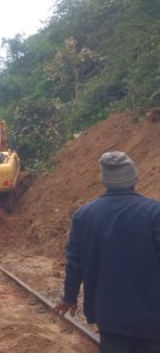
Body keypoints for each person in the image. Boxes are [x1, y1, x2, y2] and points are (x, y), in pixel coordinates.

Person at [54, 151, 160, 352]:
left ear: (104, 180)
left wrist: (69, 297)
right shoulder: (154, 213)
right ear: (134, 178)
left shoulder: (84, 215)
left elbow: (75, 263)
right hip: (152, 315)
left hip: (109, 315)